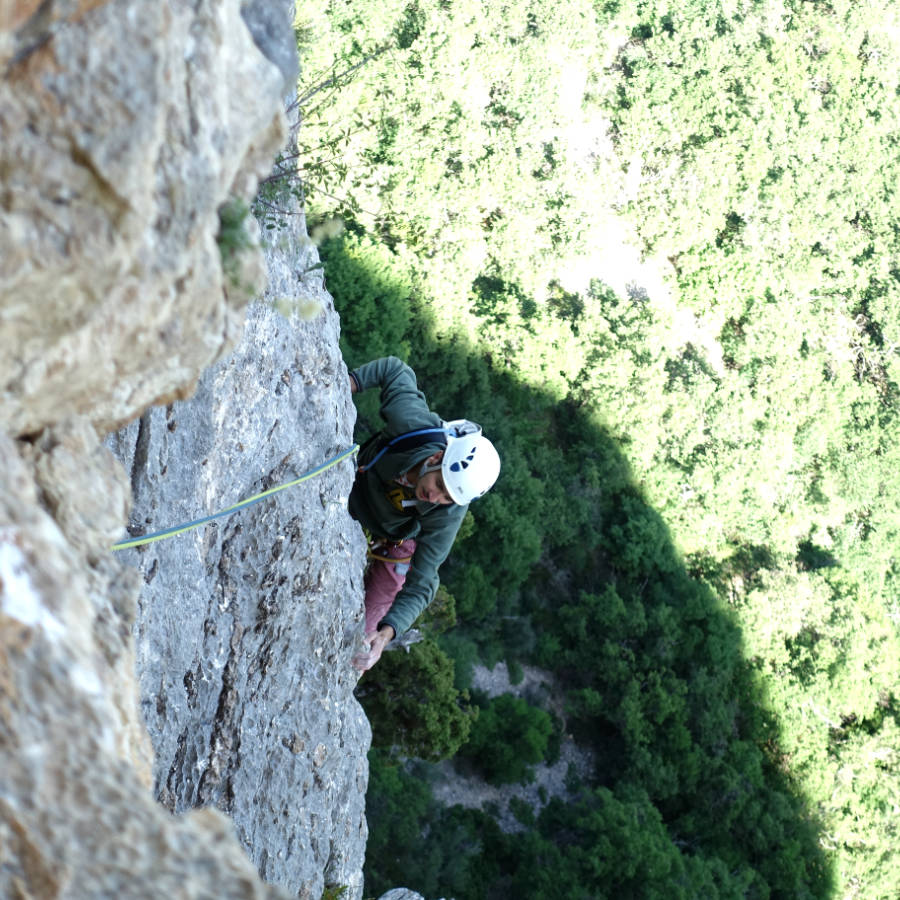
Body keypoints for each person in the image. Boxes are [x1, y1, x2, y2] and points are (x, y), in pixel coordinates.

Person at [347, 357, 500, 672]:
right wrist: (348, 383)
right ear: (438, 456)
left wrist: (386, 633)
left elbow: (424, 582)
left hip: (394, 538)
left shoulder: (448, 511)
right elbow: (395, 369)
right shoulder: (415, 428)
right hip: (357, 487)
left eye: (447, 497)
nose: (436, 496)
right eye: (440, 484)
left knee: (361, 637)